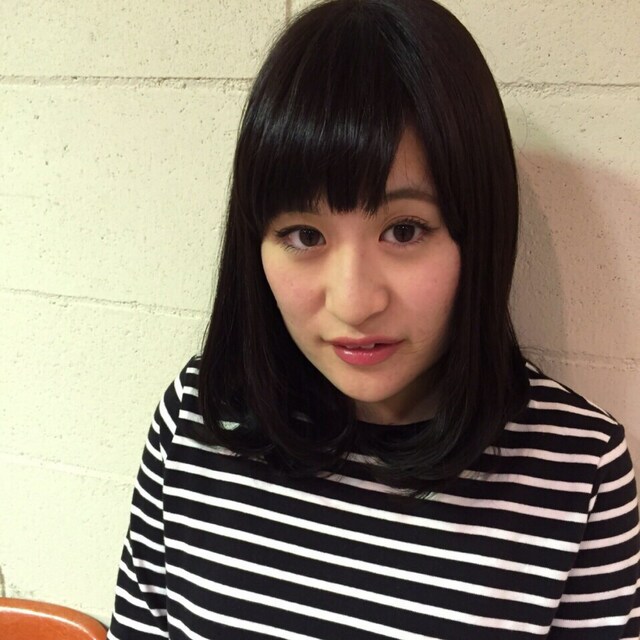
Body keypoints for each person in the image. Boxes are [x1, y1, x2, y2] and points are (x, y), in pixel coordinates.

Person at [107, 1, 640, 638]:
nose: (355, 303)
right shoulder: (200, 418)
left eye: (405, 230)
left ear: (479, 231)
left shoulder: (577, 469)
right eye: (304, 235)